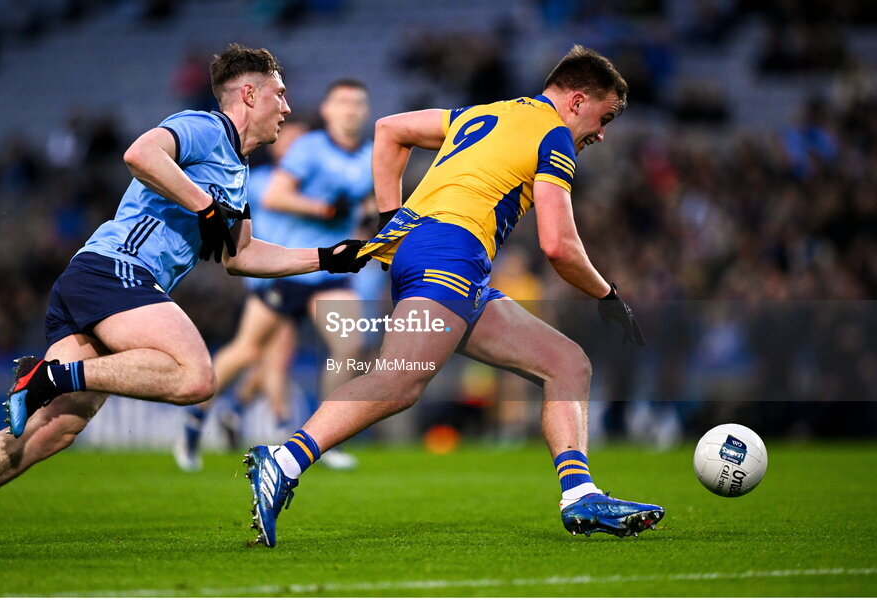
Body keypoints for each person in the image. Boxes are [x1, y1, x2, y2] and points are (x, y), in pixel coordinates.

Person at [0, 43, 369, 553]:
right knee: (196, 377)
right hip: (117, 271)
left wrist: (326, 257)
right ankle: (50, 375)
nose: (287, 107)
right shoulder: (205, 127)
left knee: (54, 428)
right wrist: (203, 205)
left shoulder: (237, 172)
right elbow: (140, 154)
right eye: (279, 95)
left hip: (95, 283)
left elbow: (242, 256)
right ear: (248, 93)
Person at [244, 45, 663, 548]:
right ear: (576, 101)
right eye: (605, 117)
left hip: (436, 254)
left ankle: (580, 495)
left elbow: (390, 130)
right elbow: (558, 245)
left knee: (566, 364)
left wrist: (388, 219)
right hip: (450, 251)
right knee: (399, 380)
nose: (601, 132)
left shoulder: (484, 113)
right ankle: (284, 460)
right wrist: (608, 294)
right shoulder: (554, 136)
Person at [176, 80, 374, 471]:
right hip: (285, 271)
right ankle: (197, 417)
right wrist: (324, 211)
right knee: (253, 352)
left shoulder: (368, 156)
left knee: (349, 347)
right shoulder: (307, 151)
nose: (351, 110)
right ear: (328, 110)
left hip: (328, 271)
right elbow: (275, 197)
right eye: (343, 102)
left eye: (358, 103)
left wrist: (368, 219)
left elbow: (362, 202)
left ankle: (322, 437)